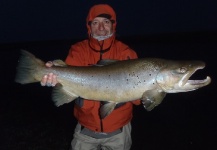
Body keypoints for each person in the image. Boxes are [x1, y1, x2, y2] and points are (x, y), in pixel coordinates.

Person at [41, 4, 141, 150]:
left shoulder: (127, 53)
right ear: (89, 26)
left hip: (119, 131)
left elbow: (139, 100)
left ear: (114, 25)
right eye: (95, 22)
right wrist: (52, 76)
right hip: (85, 130)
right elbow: (65, 79)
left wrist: (154, 90)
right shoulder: (78, 50)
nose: (101, 27)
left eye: (106, 22)